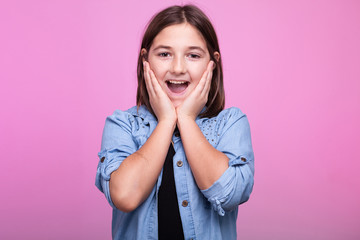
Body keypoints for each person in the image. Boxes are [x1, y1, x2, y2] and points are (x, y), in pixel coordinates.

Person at [95, 4, 254, 240]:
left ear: (213, 63)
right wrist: (167, 120)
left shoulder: (230, 123)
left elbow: (229, 193)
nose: (178, 68)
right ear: (145, 60)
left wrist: (187, 119)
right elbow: (125, 196)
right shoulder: (123, 124)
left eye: (193, 55)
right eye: (164, 54)